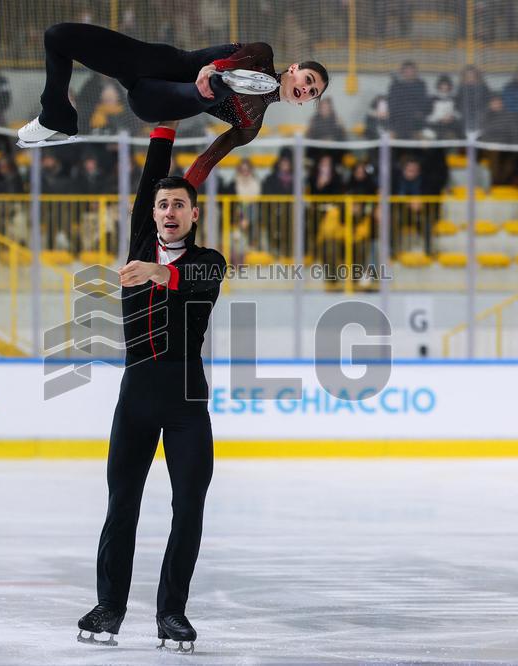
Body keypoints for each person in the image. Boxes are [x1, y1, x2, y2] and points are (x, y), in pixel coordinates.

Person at [75, 120, 226, 654]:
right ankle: (109, 607)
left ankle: (172, 613)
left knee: (188, 506)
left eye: (178, 205)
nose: (168, 211)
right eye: (162, 205)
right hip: (137, 395)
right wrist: (165, 122)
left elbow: (187, 282)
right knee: (123, 506)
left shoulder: (210, 262)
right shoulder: (142, 241)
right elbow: (148, 181)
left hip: (187, 399)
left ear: (193, 213)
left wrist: (154, 273)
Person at [18, 23, 328, 188]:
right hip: (154, 62)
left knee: (203, 94)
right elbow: (234, 60)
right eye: (309, 79)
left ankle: (220, 85)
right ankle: (55, 114)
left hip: (163, 100)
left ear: (306, 102)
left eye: (313, 92)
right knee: (57, 36)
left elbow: (207, 161)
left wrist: (183, 194)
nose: (307, 88)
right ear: (294, 69)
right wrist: (215, 67)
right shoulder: (263, 55)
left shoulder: (251, 125)